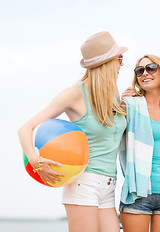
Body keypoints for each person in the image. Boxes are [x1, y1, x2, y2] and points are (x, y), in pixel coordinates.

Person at [18, 31, 127, 232]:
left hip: (110, 185)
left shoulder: (113, 93)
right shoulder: (75, 94)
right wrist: (36, 162)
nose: (122, 64)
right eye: (119, 59)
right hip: (83, 184)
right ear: (106, 63)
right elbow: (25, 128)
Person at [119, 54, 160, 232]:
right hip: (138, 193)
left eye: (151, 68)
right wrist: (119, 104)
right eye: (139, 70)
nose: (144, 73)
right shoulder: (130, 106)